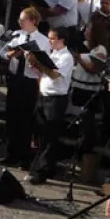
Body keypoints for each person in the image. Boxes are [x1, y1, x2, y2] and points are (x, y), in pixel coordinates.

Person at [1, 7, 51, 168]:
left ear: (33, 21)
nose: (20, 23)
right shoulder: (17, 35)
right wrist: (10, 54)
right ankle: (11, 154)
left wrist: (34, 61)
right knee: (11, 116)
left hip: (31, 81)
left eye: (23, 20)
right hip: (15, 78)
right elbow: (3, 53)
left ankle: (25, 157)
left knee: (26, 119)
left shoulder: (43, 40)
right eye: (19, 20)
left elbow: (47, 63)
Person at [27, 27, 75, 184]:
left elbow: (54, 74)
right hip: (44, 96)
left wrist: (40, 65)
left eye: (53, 38)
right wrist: (34, 64)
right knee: (40, 132)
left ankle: (44, 171)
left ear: (62, 40)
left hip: (56, 99)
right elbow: (43, 73)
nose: (50, 41)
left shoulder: (66, 57)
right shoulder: (52, 54)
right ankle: (38, 165)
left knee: (50, 134)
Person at [70, 14, 110, 182]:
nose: (86, 31)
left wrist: (79, 58)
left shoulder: (100, 49)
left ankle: (85, 161)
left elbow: (94, 68)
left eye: (89, 29)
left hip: (90, 92)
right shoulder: (85, 45)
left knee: (87, 126)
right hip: (78, 87)